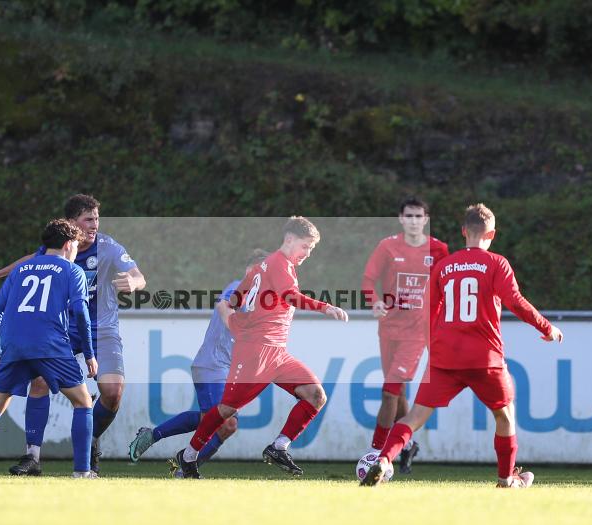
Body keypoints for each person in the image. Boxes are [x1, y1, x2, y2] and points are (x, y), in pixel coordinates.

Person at [360, 203, 563, 488]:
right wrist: (546, 327)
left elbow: (428, 313)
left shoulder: (444, 265)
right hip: (485, 357)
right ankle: (506, 480)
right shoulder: (497, 263)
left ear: (463, 231)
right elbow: (515, 301)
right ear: (492, 234)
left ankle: (383, 460)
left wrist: (435, 350)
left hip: (446, 357)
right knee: (505, 415)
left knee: (415, 416)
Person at [0, 194, 145, 476]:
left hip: (102, 329)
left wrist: (134, 282)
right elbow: (30, 260)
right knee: (40, 381)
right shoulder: (61, 246)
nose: (94, 224)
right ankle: (32, 456)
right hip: (65, 328)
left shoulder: (108, 247)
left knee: (113, 393)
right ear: (72, 223)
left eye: (96, 219)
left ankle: (89, 438)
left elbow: (139, 275)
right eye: (88, 219)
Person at [173, 217, 349, 479]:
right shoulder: (280, 264)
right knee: (226, 410)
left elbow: (236, 298)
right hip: (256, 351)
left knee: (315, 395)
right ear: (289, 239)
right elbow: (291, 296)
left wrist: (228, 311)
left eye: (311, 249)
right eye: (305, 247)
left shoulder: (263, 267)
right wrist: (326, 307)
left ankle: (279, 446)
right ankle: (187, 457)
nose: (307, 254)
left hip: (277, 352)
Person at [0, 219, 99, 478]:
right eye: (76, 245)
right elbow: (81, 313)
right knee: (83, 402)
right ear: (68, 244)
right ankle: (82, 472)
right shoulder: (73, 272)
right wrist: (90, 353)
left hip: (14, 347)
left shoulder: (22, 269)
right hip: (52, 346)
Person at [127, 249, 270, 471]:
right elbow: (225, 307)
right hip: (213, 365)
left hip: (228, 370)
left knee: (219, 423)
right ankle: (184, 466)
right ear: (249, 270)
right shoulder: (237, 287)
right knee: (225, 422)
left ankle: (165, 447)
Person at [361, 197, 449, 474]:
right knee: (396, 393)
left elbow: (448, 286)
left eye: (418, 216)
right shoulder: (387, 246)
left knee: (389, 392)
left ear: (426, 219)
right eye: (408, 216)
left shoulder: (438, 249)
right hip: (388, 328)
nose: (413, 221)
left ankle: (376, 454)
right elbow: (367, 280)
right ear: (401, 219)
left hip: (416, 333)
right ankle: (407, 445)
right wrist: (374, 301)